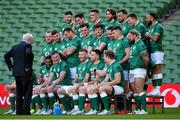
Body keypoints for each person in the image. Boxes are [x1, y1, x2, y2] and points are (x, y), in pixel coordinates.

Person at [4, 33, 34, 115]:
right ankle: (25, 110)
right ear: (29, 39)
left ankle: (18, 110)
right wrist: (28, 66)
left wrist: (11, 66)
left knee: (19, 91)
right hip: (25, 72)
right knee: (28, 91)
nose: (33, 41)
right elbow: (29, 54)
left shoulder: (15, 47)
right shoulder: (28, 46)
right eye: (32, 39)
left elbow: (6, 56)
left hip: (16, 72)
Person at [127, 29, 149, 114]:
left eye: (130, 36)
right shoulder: (134, 44)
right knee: (135, 91)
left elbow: (146, 58)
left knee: (139, 89)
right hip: (132, 69)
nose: (129, 38)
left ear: (135, 35)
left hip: (139, 69)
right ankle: (137, 109)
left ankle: (144, 110)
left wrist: (144, 69)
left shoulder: (141, 44)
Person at [98, 50, 124, 115]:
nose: (103, 58)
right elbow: (106, 79)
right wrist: (100, 84)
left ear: (108, 57)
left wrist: (105, 84)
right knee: (95, 88)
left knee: (102, 88)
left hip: (119, 87)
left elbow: (118, 80)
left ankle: (106, 110)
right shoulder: (109, 65)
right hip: (113, 87)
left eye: (104, 56)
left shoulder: (115, 65)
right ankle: (95, 109)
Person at [145, 12, 164, 96]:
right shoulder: (151, 27)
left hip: (157, 50)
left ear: (152, 18)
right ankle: (154, 89)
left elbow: (155, 38)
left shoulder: (158, 26)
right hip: (151, 51)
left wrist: (148, 35)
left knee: (158, 69)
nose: (146, 20)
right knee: (153, 70)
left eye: (147, 18)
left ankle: (158, 90)